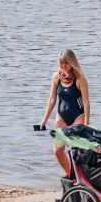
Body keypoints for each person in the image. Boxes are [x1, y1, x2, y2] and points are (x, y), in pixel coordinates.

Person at [37, 49, 90, 177]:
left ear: (72, 63)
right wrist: (44, 120)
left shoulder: (80, 79)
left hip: (78, 117)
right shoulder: (56, 77)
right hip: (61, 117)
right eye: (61, 63)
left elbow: (86, 102)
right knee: (58, 151)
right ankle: (71, 176)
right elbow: (52, 100)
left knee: (77, 150)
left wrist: (86, 123)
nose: (64, 66)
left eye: (66, 63)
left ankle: (83, 177)